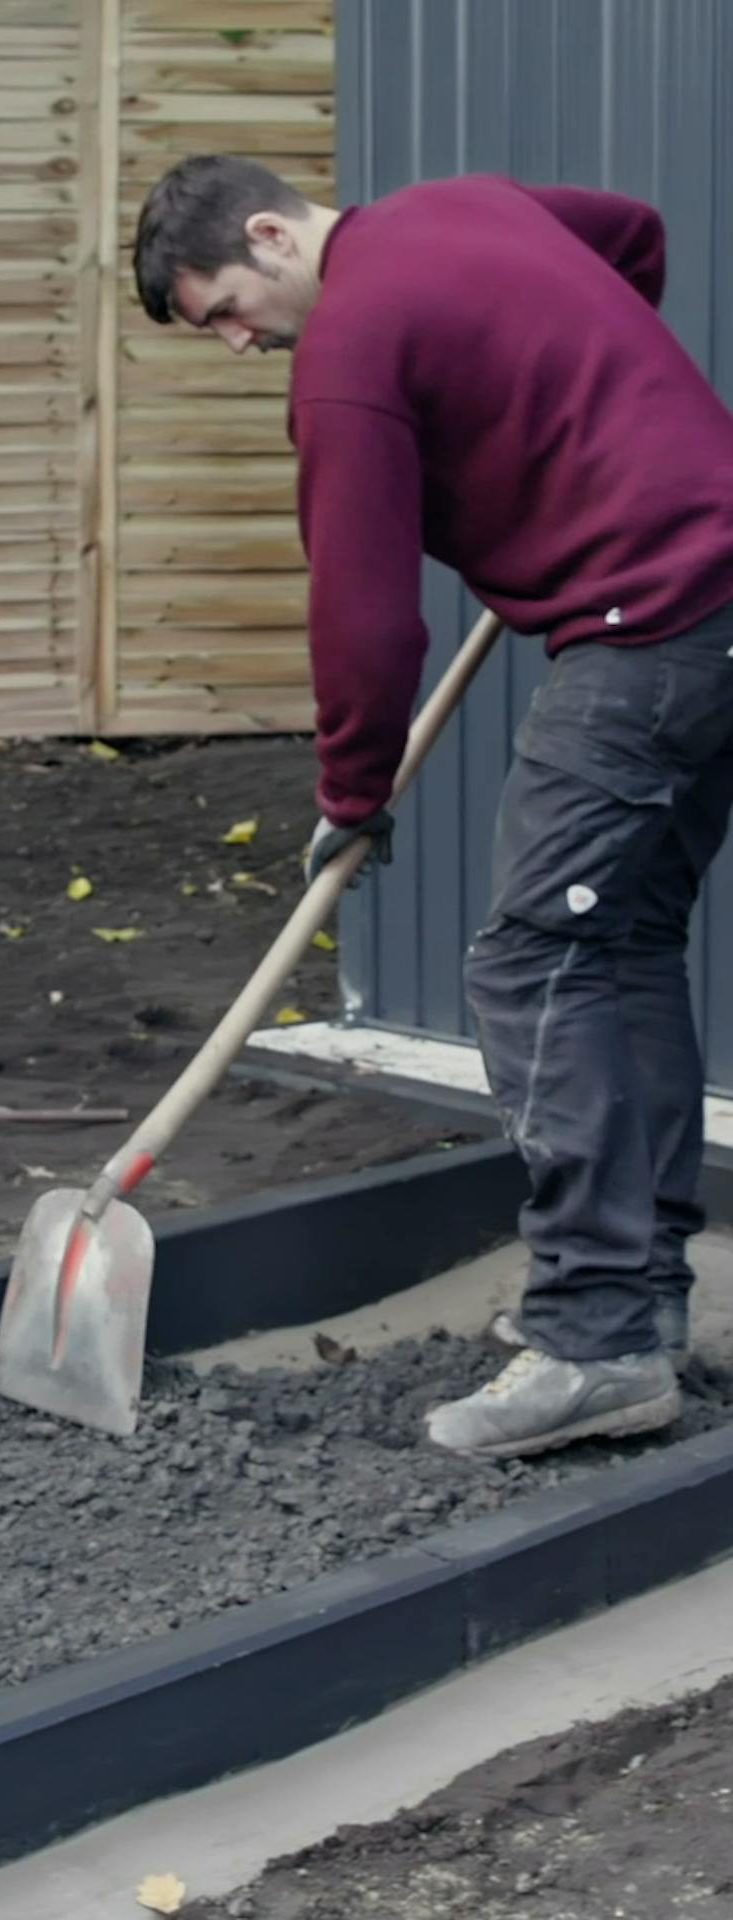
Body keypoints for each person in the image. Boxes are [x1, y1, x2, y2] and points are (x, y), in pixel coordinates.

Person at [131, 155, 733, 1459]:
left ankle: (596, 1341)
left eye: (227, 306)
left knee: (534, 964)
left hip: (655, 620)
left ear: (275, 233)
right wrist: (548, 416)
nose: (239, 342)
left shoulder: (344, 349)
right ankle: (642, 1306)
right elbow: (631, 236)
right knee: (614, 949)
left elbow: (362, 619)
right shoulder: (469, 207)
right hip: (705, 603)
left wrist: (350, 794)